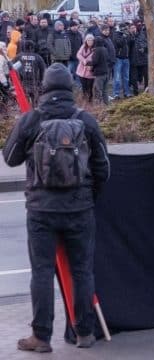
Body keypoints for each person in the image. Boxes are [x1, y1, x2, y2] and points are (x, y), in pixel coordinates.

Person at [3, 63, 110, 353]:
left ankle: (41, 336)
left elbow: (10, 157)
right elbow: (104, 168)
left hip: (41, 211)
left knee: (41, 272)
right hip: (79, 209)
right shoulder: (84, 120)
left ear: (45, 88)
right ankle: (85, 332)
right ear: (70, 87)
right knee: (82, 271)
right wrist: (88, 195)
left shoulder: (32, 120)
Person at [112, 24, 131, 99]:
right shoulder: (116, 35)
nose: (126, 30)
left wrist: (129, 35)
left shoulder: (127, 34)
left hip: (126, 58)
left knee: (126, 77)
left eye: (126, 29)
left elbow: (131, 42)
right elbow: (119, 43)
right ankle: (116, 94)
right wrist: (124, 36)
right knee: (117, 77)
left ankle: (127, 92)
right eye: (124, 29)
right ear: (120, 29)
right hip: (118, 58)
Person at [129, 23, 148, 96]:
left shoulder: (142, 35)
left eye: (134, 27)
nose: (133, 29)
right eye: (131, 28)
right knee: (134, 78)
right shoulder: (128, 37)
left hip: (143, 59)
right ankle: (135, 92)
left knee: (146, 76)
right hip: (133, 60)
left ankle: (146, 91)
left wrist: (144, 49)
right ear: (129, 29)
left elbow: (147, 44)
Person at [76, 34, 96, 103]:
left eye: (91, 40)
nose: (90, 41)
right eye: (88, 40)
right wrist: (83, 60)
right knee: (84, 86)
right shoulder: (83, 47)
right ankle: (85, 100)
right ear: (86, 41)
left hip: (90, 70)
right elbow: (78, 54)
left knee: (90, 87)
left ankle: (90, 101)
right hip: (82, 70)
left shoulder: (95, 48)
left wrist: (90, 63)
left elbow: (96, 58)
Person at [67, 20, 83, 87]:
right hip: (69, 58)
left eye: (75, 26)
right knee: (68, 73)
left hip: (78, 58)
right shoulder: (66, 34)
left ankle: (79, 86)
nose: (74, 27)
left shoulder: (79, 34)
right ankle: (68, 85)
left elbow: (82, 45)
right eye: (73, 26)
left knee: (78, 73)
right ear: (70, 27)